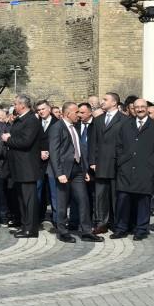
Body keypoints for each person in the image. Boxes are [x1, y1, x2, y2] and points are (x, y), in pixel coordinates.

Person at [111, 98, 154, 241]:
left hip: (145, 170)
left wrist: (151, 161)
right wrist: (122, 160)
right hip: (126, 169)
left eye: (143, 107)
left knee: (143, 201)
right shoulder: (125, 125)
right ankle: (121, 228)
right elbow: (118, 145)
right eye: (137, 107)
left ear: (147, 108)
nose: (140, 109)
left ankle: (141, 229)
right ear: (133, 109)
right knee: (123, 200)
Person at [47, 102, 100, 243]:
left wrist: (84, 169)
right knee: (62, 203)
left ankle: (86, 231)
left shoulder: (75, 127)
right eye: (76, 112)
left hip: (77, 171)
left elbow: (79, 149)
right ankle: (63, 232)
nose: (79, 115)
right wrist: (59, 173)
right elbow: (54, 152)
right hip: (63, 172)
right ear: (67, 113)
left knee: (83, 200)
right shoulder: (56, 128)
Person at [2, 94, 42, 238]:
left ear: (22, 105)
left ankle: (31, 229)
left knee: (29, 200)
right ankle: (25, 225)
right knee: (22, 199)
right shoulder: (22, 119)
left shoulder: (31, 120)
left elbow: (25, 142)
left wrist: (8, 139)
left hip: (27, 167)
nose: (14, 106)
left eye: (15, 104)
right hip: (18, 166)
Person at [88, 93, 124, 234]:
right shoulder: (98, 120)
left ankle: (117, 223)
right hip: (100, 164)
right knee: (100, 196)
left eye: (105, 100)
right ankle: (101, 223)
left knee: (116, 196)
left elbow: (125, 144)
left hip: (117, 164)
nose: (102, 102)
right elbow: (93, 142)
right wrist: (92, 161)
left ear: (114, 103)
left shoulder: (124, 120)